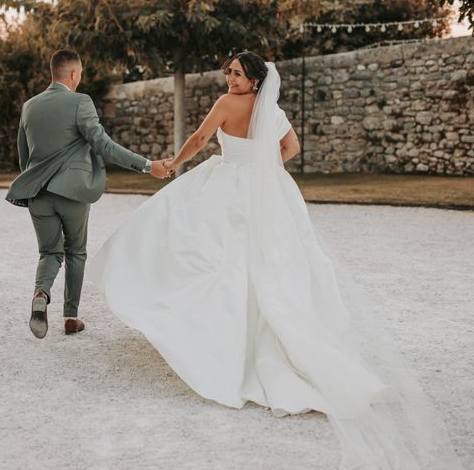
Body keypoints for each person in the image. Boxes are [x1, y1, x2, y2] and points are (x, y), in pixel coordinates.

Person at [88, 52, 463, 469]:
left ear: (254, 79)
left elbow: (198, 140)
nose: (230, 79)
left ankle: (218, 338)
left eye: (238, 73)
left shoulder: (226, 105)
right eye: (229, 72)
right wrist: (264, 170)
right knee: (261, 261)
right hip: (267, 191)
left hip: (228, 185)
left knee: (202, 250)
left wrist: (172, 165)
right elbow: (292, 146)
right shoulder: (272, 110)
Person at [5, 49, 171, 339]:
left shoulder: (29, 106)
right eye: (79, 74)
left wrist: (34, 185)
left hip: (38, 193)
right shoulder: (81, 102)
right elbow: (104, 146)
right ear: (73, 74)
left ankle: (41, 292)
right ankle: (70, 318)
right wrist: (147, 165)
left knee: (49, 252)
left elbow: (23, 156)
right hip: (72, 191)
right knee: (75, 252)